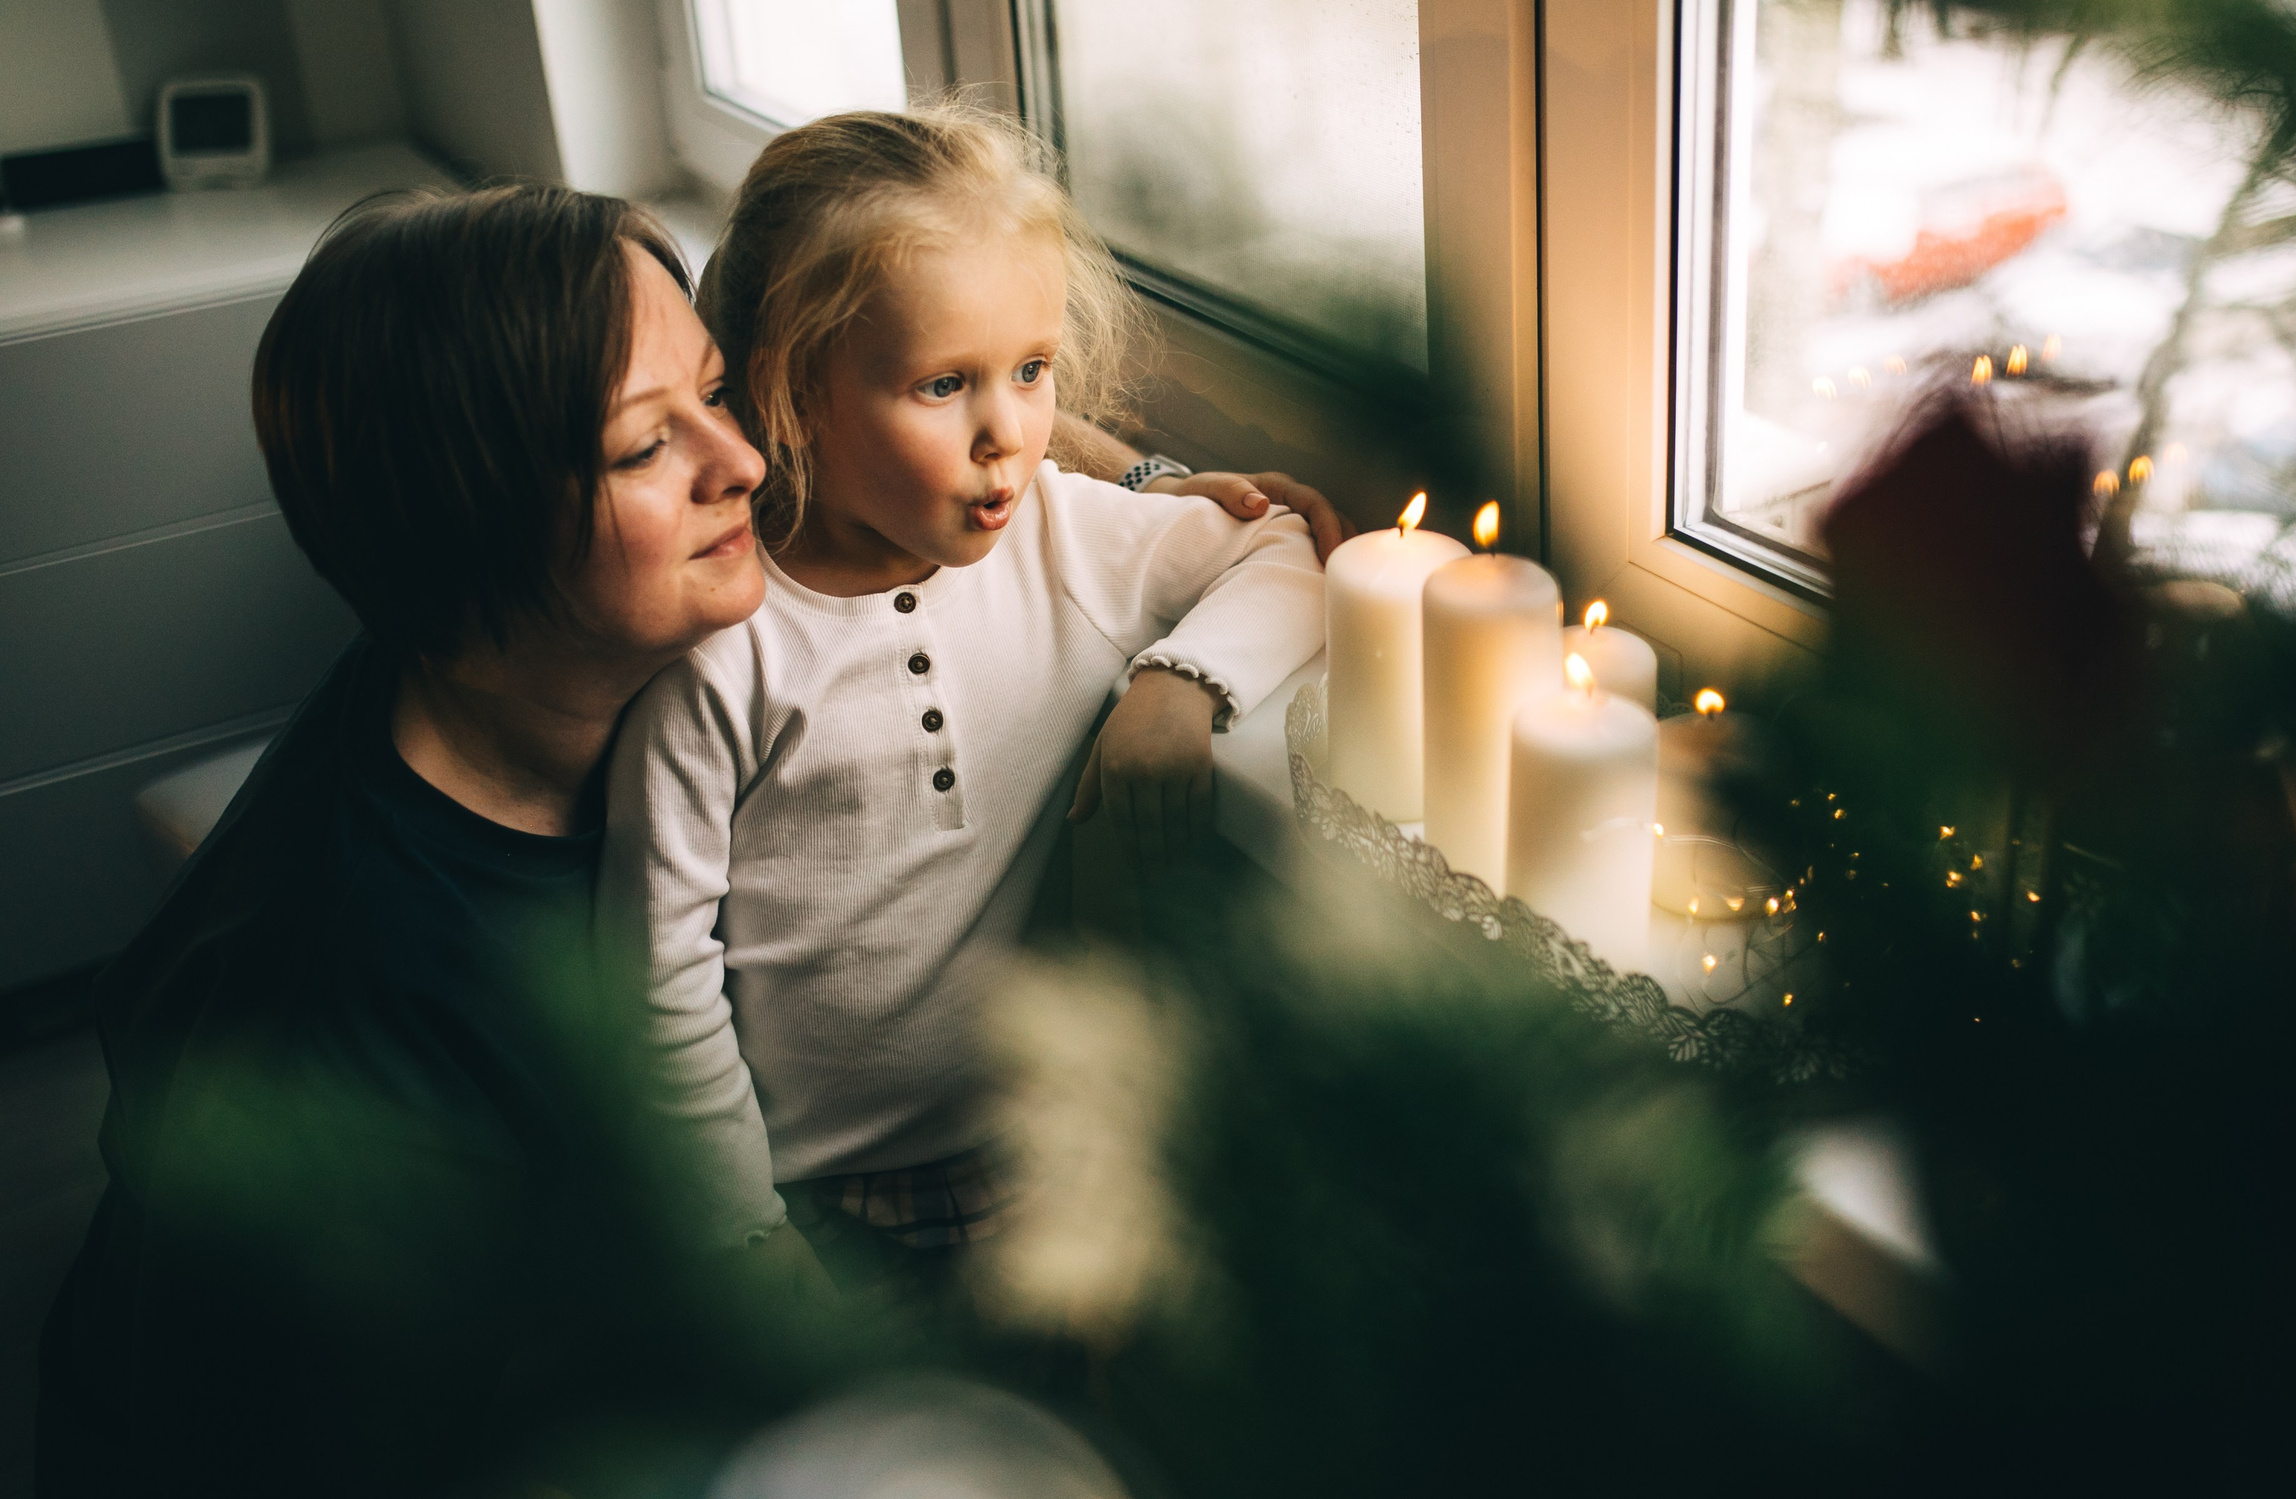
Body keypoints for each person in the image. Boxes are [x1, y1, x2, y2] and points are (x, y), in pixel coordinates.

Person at [36, 178, 1344, 1495]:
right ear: (474, 528)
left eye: (714, 396)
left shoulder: (511, 660)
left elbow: (878, 312)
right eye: (642, 448)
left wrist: (1145, 478)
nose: (747, 461)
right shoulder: (368, 991)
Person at [602, 105, 1327, 1274]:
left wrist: (1178, 683)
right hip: (812, 1203)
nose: (1009, 436)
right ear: (793, 392)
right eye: (944, 385)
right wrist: (740, 1235)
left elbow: (1286, 547)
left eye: (1031, 371)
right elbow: (657, 977)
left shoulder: (1061, 535)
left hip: (1046, 1155)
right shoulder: (725, 646)